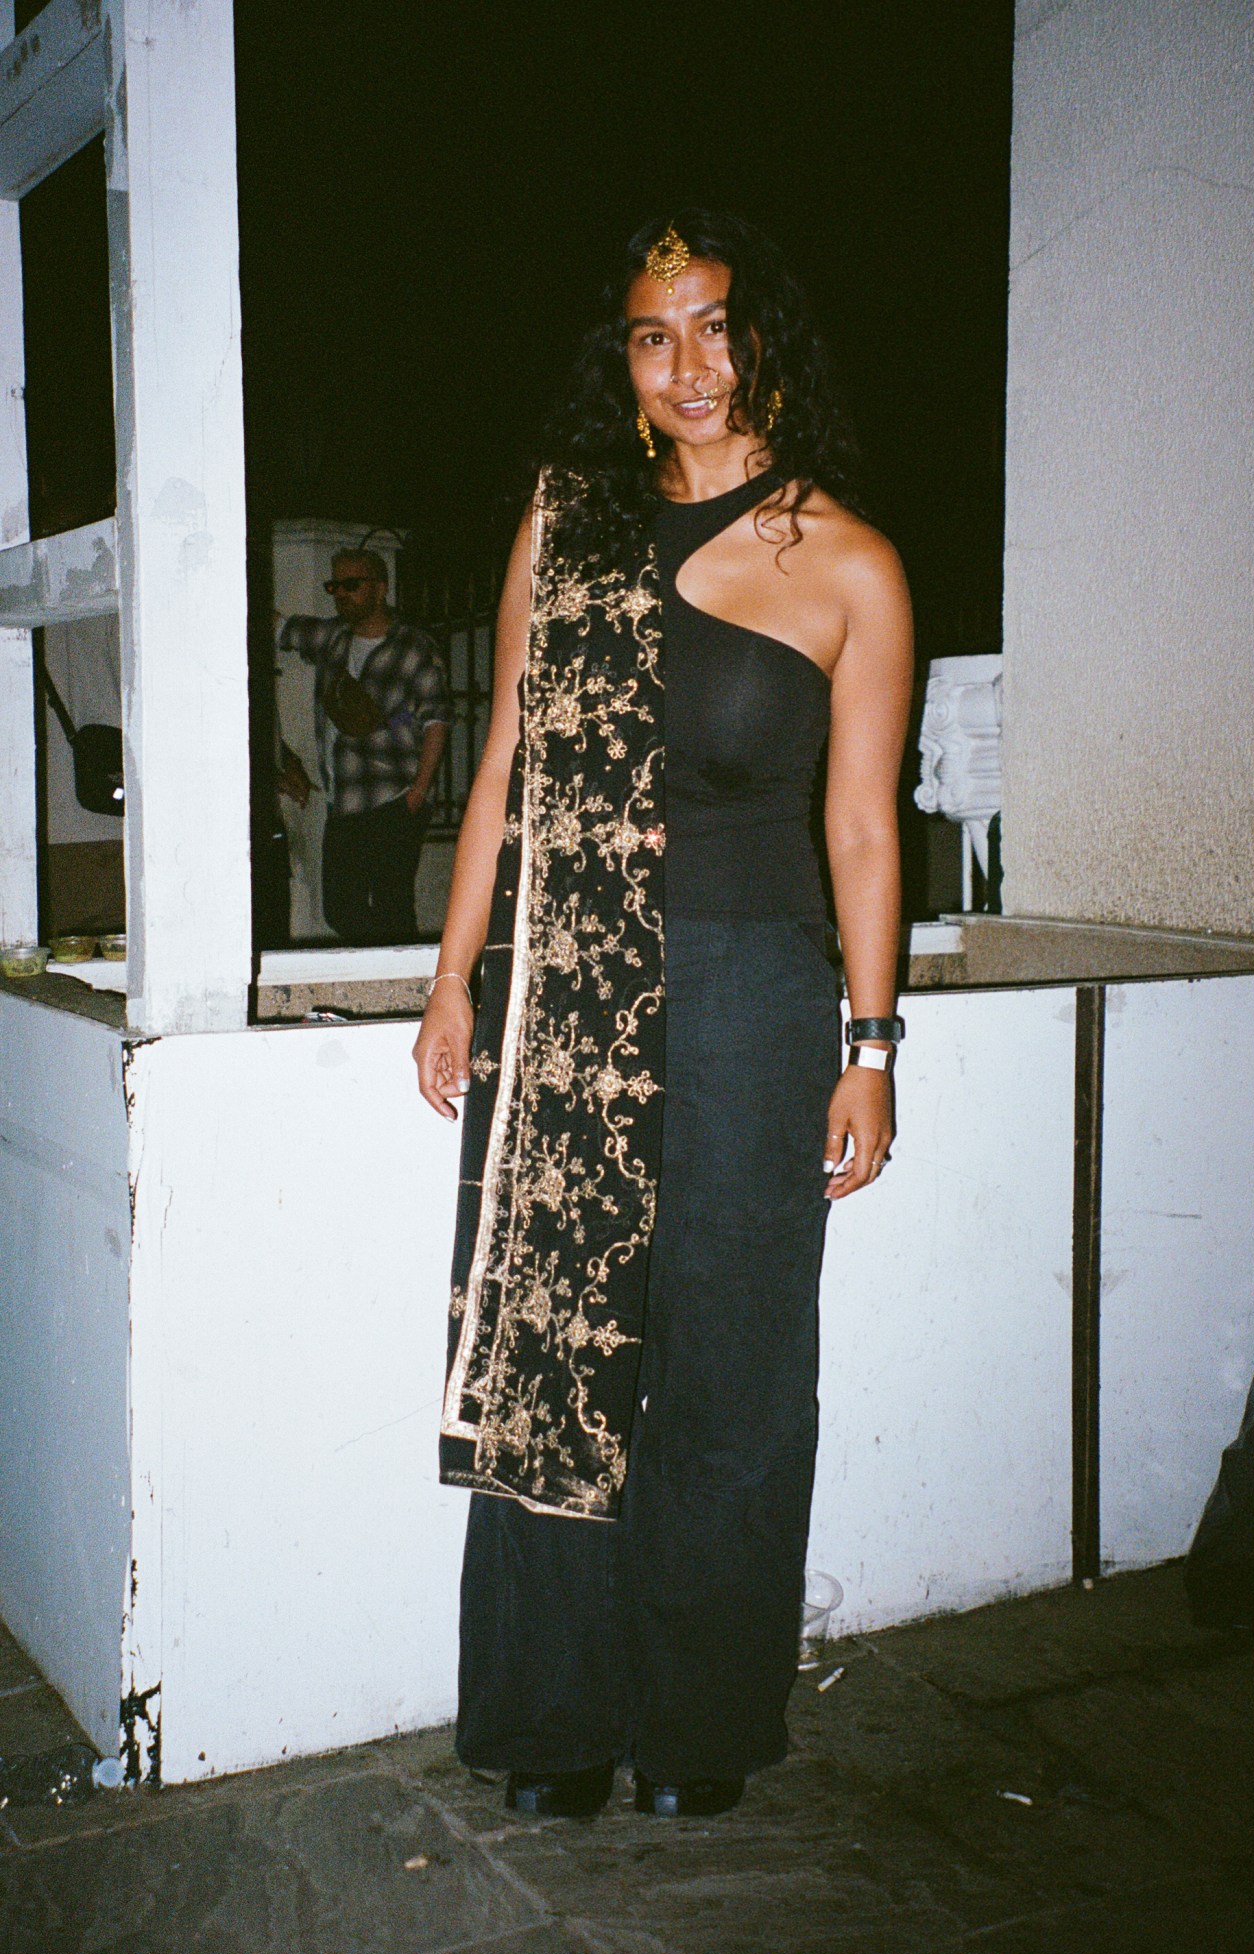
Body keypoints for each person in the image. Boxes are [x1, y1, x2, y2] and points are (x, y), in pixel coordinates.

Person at [412, 211, 913, 1821]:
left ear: (762, 338)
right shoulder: (568, 524)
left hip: (757, 999)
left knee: (728, 1366)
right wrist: (448, 977)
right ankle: (552, 1717)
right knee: (555, 1348)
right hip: (562, 991)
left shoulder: (846, 560)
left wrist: (871, 1046)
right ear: (618, 362)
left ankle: (698, 1725)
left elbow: (860, 828)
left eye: (713, 326)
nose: (687, 364)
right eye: (651, 332)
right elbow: (502, 761)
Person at [278, 549, 450, 943]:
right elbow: (279, 628)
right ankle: (389, 965)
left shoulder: (412, 646)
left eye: (353, 585)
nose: (341, 594)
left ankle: (403, 990)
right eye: (335, 586)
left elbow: (436, 720)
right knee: (339, 908)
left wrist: (418, 794)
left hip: (395, 795)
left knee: (392, 906)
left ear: (380, 589)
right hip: (346, 800)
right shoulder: (331, 638)